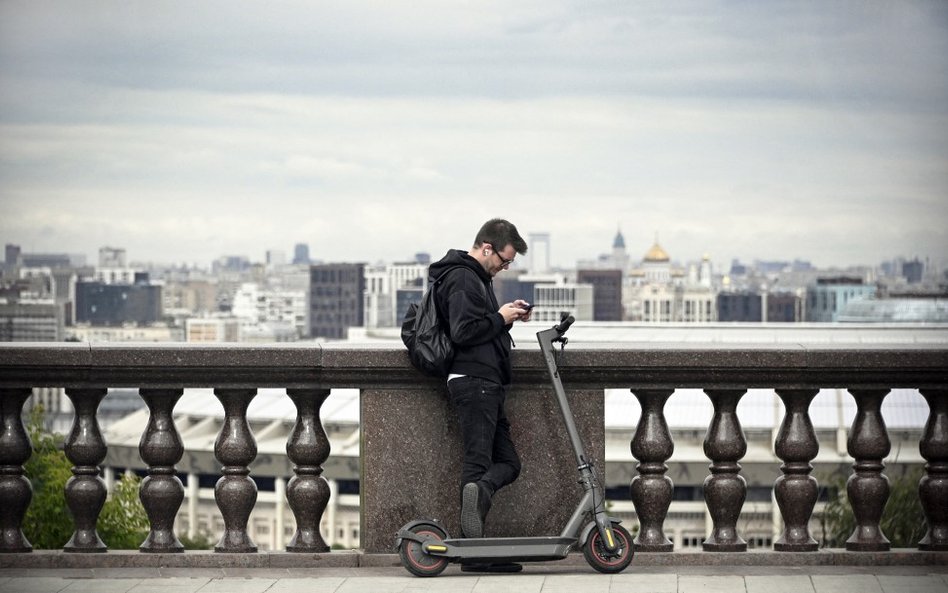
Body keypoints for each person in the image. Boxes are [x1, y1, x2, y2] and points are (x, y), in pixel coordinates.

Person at [428, 218, 531, 573]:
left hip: (486, 381)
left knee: (509, 464)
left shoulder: (475, 277)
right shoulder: (462, 277)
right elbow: (464, 330)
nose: (505, 267)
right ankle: (472, 552)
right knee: (477, 463)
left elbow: (477, 324)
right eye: (504, 260)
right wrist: (500, 318)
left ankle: (481, 495)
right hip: (475, 381)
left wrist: (505, 316)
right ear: (486, 247)